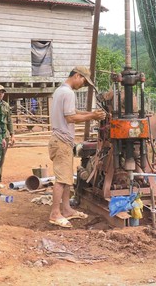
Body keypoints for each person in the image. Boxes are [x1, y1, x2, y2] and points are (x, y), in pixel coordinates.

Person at [48, 66, 105, 228]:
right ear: (77, 76)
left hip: (62, 141)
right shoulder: (68, 93)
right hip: (61, 141)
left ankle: (66, 209)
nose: (83, 85)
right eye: (83, 81)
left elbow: (73, 112)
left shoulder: (60, 91)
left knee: (66, 178)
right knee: (61, 179)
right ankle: (55, 213)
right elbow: (71, 117)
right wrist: (93, 116)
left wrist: (90, 113)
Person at [0, 84, 15, 189]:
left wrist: (12, 135)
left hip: (4, 135)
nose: (1, 94)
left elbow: (9, 121)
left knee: (1, 159)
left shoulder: (6, 105)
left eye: (3, 92)